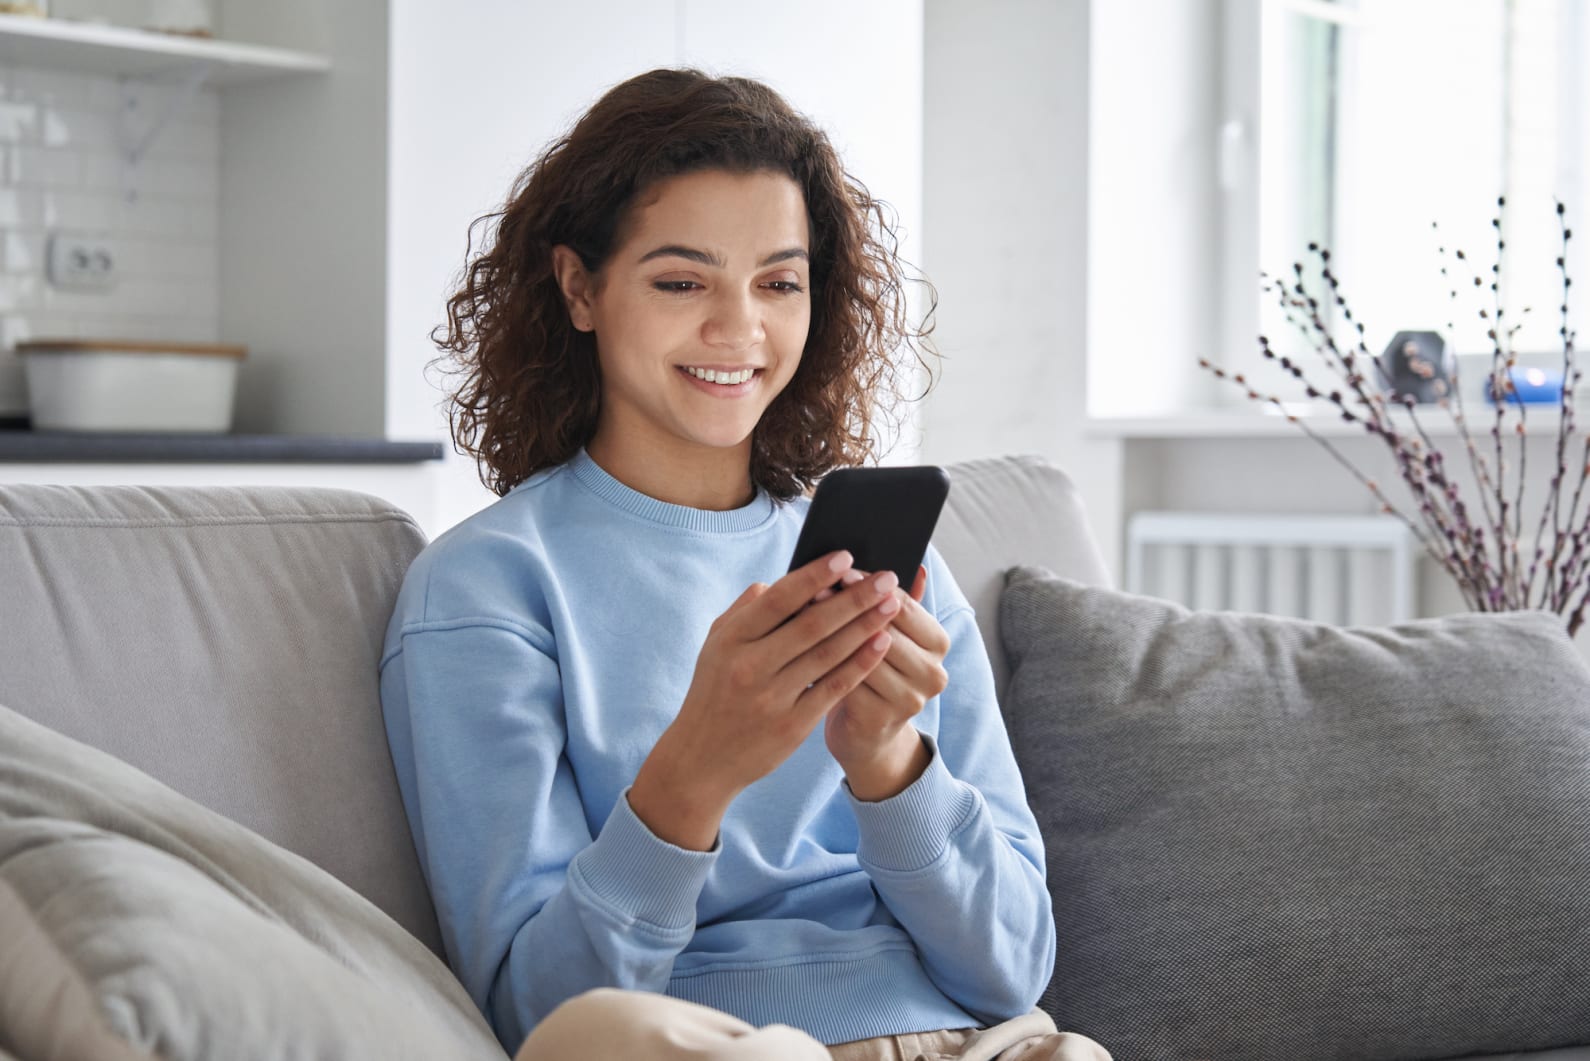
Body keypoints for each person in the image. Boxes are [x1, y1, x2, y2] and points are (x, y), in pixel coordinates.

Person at [378, 68, 1111, 1061]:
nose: (739, 329)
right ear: (579, 286)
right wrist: (698, 768)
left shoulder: (887, 573)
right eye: (682, 281)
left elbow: (1011, 969)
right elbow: (542, 1012)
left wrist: (889, 764)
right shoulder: (487, 587)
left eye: (778, 282)